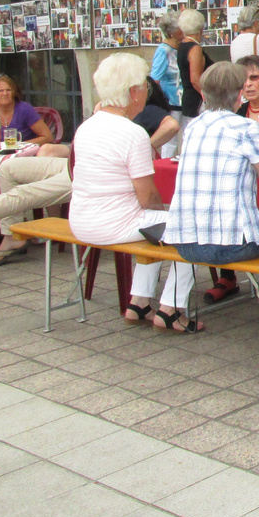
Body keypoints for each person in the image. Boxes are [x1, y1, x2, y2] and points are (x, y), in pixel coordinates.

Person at [0, 79, 179, 266]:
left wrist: (147, 146)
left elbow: (171, 126)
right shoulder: (109, 111)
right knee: (9, 167)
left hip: (94, 176)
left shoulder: (147, 111)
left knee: (22, 196)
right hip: (79, 163)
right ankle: (10, 234)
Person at [165, 63, 259, 346]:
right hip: (228, 243)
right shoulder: (246, 127)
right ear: (239, 95)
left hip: (186, 241)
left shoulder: (195, 125)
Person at [70, 54, 193, 332]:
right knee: (189, 228)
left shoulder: (86, 126)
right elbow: (147, 197)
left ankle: (139, 302)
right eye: (145, 88)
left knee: (156, 223)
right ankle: (171, 309)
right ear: (134, 92)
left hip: (81, 221)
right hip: (113, 225)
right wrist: (166, 215)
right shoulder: (132, 133)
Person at [0, 75, 54, 145]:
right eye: (0, 91)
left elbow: (48, 137)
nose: (5, 94)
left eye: (8, 90)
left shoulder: (25, 109)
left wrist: (20, 145)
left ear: (14, 92)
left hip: (23, 155)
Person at [177, 8, 210, 130]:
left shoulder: (182, 45)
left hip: (188, 99)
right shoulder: (195, 48)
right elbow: (195, 79)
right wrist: (209, 98)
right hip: (198, 102)